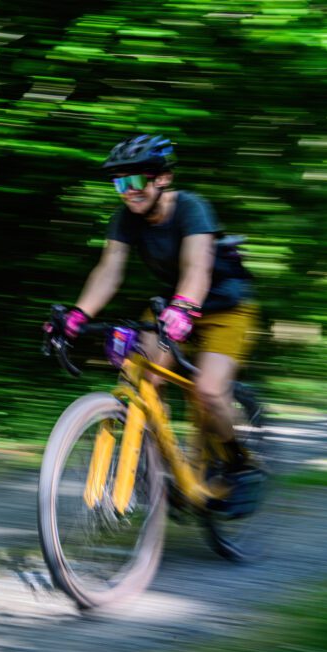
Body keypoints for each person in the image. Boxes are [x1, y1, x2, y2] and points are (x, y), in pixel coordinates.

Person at [58, 134, 259, 487]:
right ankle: (157, 462)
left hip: (226, 306)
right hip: (172, 308)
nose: (128, 191)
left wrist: (183, 309)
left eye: (136, 180)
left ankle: (238, 461)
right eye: (120, 183)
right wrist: (78, 316)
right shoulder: (126, 218)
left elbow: (197, 267)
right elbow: (109, 270)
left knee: (209, 391)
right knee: (141, 374)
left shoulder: (191, 208)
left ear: (162, 178)